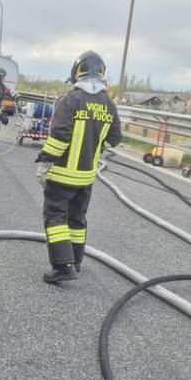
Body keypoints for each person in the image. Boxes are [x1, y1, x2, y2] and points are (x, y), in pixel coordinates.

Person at [35, 51, 122, 283]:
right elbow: (115, 139)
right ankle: (76, 260)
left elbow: (59, 138)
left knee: (55, 218)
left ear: (77, 73)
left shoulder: (70, 100)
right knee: (77, 219)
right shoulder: (108, 104)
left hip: (62, 174)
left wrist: (45, 161)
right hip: (86, 177)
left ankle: (63, 266)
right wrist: (96, 141)